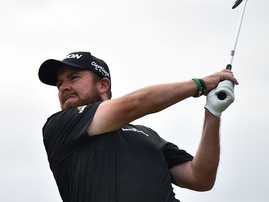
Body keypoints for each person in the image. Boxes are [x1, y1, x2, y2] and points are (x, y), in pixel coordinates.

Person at [38, 51, 238, 202]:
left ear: (103, 85)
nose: (63, 87)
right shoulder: (61, 126)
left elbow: (199, 177)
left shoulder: (147, 135)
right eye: (59, 84)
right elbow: (133, 105)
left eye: (73, 78)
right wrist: (200, 84)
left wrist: (213, 112)